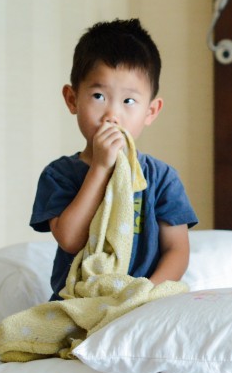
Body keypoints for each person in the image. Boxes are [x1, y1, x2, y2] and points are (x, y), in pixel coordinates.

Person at [30, 19, 199, 300]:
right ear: (72, 99)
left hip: (143, 300)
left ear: (151, 110)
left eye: (129, 101)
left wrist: (143, 294)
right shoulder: (59, 174)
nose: (112, 115)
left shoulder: (161, 178)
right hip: (79, 301)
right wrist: (99, 168)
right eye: (98, 96)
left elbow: (177, 250)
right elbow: (71, 240)